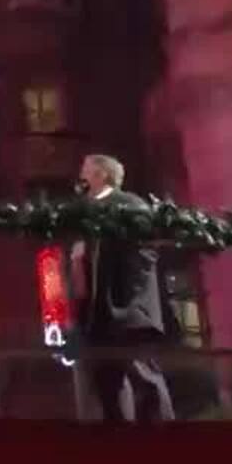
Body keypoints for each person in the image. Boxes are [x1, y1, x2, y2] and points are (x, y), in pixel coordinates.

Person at [73, 153, 174, 422]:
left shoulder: (129, 204)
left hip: (127, 311)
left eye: (86, 170)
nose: (81, 176)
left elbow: (145, 254)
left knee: (144, 376)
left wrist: (129, 298)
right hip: (98, 318)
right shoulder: (85, 211)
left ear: (101, 174)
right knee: (108, 385)